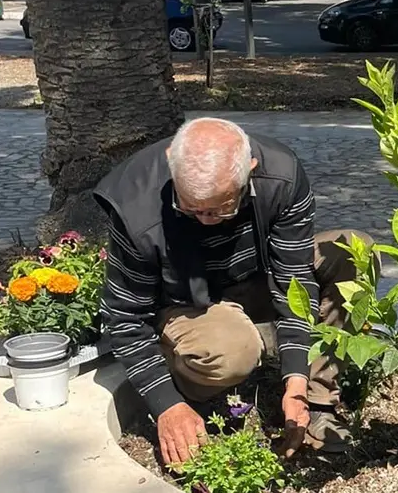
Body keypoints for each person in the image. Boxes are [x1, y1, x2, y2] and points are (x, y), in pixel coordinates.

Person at [93, 118, 377, 466]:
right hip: (185, 302)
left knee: (354, 251)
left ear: (250, 172)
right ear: (171, 164)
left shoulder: (280, 175)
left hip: (253, 278)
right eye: (190, 209)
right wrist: (166, 404)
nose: (205, 220)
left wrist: (296, 383)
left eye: (220, 208)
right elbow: (124, 319)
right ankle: (195, 378)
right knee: (234, 351)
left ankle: (316, 402)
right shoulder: (135, 205)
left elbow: (294, 283)